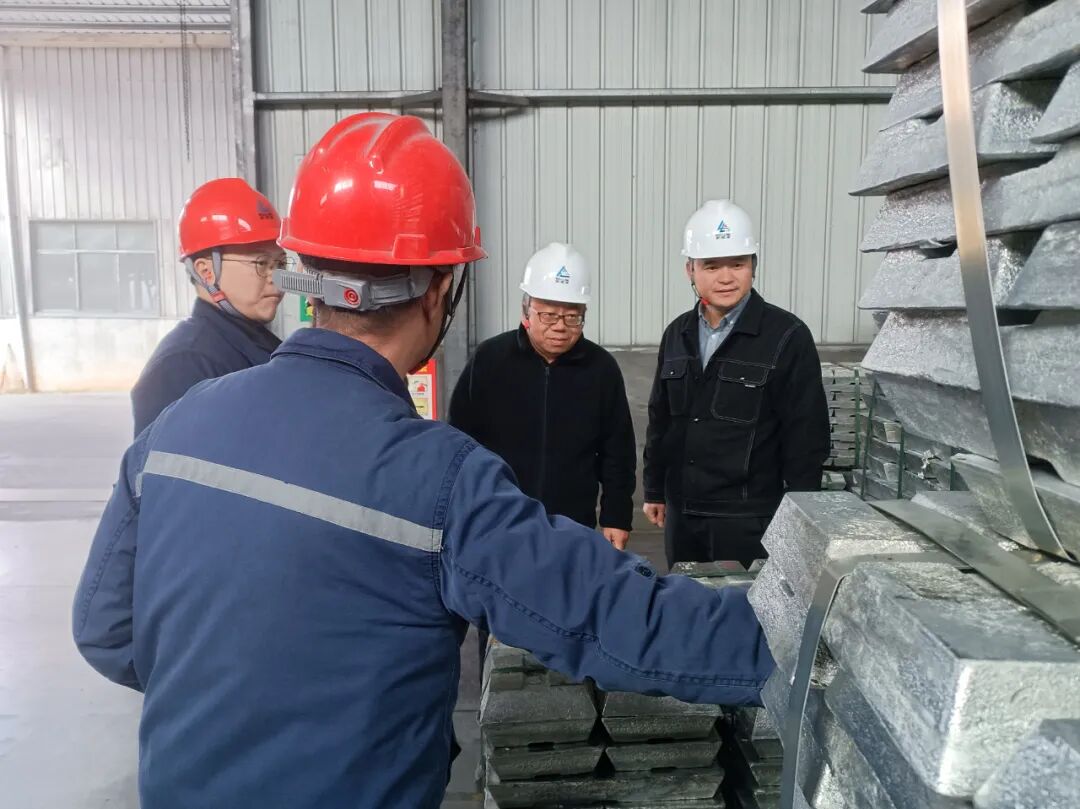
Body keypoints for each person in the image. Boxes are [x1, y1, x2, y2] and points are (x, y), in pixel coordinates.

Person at [72, 113, 774, 809]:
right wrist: (793, 643)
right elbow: (613, 616)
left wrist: (231, 696)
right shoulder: (440, 480)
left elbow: (104, 627)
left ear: (306, 274)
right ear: (441, 290)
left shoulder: (175, 425)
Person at [642, 199, 829, 568]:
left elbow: (806, 436)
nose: (726, 277)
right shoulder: (677, 333)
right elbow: (660, 419)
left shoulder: (786, 335)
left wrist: (800, 517)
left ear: (753, 267)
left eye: (737, 264)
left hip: (749, 519)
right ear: (690, 269)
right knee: (684, 600)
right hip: (683, 516)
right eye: (711, 266)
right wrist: (653, 489)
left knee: (745, 604)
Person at [449, 242, 636, 550]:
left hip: (573, 524)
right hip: (498, 518)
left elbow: (618, 450)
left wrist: (617, 516)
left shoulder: (601, 369)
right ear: (526, 312)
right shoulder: (490, 360)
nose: (560, 327)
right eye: (549, 315)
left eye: (572, 316)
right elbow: (460, 438)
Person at [129, 178, 285, 435]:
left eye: (280, 264)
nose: (275, 277)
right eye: (261, 263)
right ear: (206, 271)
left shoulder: (257, 344)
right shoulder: (183, 366)